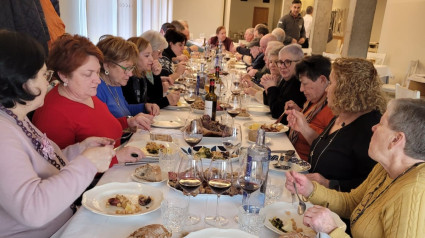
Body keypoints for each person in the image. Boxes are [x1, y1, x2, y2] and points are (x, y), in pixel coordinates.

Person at [0, 30, 115, 238]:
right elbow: (33, 209)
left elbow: (45, 165)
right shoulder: (3, 133)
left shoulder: (16, 117)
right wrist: (87, 163)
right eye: (44, 75)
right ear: (18, 80)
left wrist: (81, 150)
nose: (48, 83)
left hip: (67, 224)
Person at [285, 98, 425, 238]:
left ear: (396, 139)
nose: (373, 127)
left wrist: (331, 230)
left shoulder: (413, 193)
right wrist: (310, 189)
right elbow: (352, 203)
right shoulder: (384, 169)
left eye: (381, 124)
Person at [32, 34, 145, 166]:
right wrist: (115, 158)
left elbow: (100, 126)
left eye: (97, 72)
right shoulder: (53, 114)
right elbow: (57, 167)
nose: (97, 80)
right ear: (64, 75)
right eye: (88, 74)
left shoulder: (85, 94)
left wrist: (128, 122)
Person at [95, 35, 160, 120]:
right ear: (107, 66)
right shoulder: (96, 89)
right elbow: (104, 125)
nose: (130, 74)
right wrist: (129, 122)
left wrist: (145, 106)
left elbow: (125, 109)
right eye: (126, 68)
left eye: (131, 68)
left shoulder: (115, 83)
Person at [285, 55, 334, 161]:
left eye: (305, 83)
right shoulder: (314, 102)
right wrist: (299, 112)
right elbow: (314, 120)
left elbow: (326, 149)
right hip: (291, 155)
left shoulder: (333, 108)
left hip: (305, 166)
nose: (301, 89)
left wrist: (304, 126)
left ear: (322, 80)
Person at [122, 36, 179, 108]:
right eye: (147, 56)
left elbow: (154, 99)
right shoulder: (127, 79)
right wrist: (166, 101)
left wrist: (156, 75)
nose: (152, 59)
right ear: (134, 57)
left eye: (151, 55)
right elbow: (137, 109)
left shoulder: (142, 75)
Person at [261, 44, 306, 123]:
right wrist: (267, 88)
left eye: (287, 62)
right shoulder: (287, 79)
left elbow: (277, 112)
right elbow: (269, 103)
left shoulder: (298, 83)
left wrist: (271, 88)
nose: (282, 66)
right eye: (280, 62)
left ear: (299, 63)